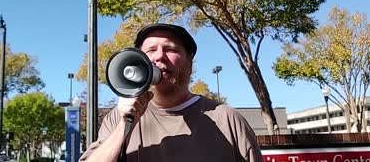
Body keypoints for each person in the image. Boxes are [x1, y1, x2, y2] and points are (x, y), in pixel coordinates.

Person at [80, 23, 263, 162]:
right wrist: (124, 126)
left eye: (170, 49)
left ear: (189, 66)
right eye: (150, 50)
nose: (159, 56)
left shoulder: (228, 119)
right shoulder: (118, 118)